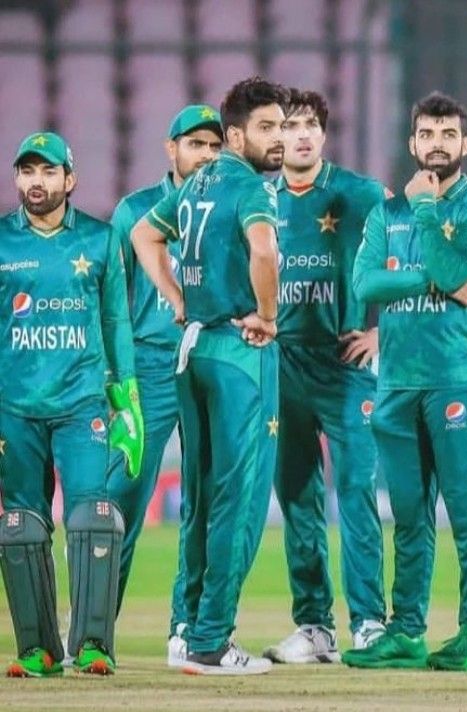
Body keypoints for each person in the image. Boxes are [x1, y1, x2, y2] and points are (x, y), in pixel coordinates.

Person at [131, 77, 286, 675]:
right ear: (238, 134)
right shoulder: (250, 187)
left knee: (198, 500)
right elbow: (265, 252)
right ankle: (211, 643)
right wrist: (268, 316)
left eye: (282, 126)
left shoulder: (199, 180)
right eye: (267, 128)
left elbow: (147, 233)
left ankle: (185, 631)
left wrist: (175, 296)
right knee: (233, 501)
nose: (278, 138)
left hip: (188, 355)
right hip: (233, 352)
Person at [342, 92, 467, 670]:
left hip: (455, 379)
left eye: (448, 134)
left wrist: (430, 219)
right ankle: (406, 630)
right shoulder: (386, 213)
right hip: (396, 383)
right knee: (409, 514)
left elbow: (458, 269)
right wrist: (433, 279)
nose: (437, 143)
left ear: (465, 144)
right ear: (413, 143)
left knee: (466, 509)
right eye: (428, 134)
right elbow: (366, 287)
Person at [0, 132, 141, 676]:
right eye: (27, 172)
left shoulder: (102, 240)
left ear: (70, 179)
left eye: (48, 172)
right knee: (19, 524)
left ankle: (94, 645)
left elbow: (116, 323)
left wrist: (126, 399)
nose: (37, 182)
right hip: (15, 407)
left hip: (84, 403)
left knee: (95, 520)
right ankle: (37, 648)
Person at [262, 89, 387, 664]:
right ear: (277, 137)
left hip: (344, 369)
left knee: (357, 492)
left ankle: (368, 622)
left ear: (324, 134)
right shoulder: (260, 197)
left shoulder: (358, 194)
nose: (303, 134)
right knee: (297, 497)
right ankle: (315, 626)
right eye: (291, 125)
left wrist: (383, 332)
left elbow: (412, 243)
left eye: (312, 124)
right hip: (283, 366)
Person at [105, 105, 223, 664]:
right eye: (194, 143)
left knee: (201, 500)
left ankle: (187, 627)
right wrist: (116, 378)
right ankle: (93, 627)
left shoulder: (228, 205)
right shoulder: (133, 211)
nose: (204, 154)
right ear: (169, 148)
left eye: (213, 145)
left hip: (208, 360)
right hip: (149, 367)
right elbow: (111, 304)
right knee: (122, 497)